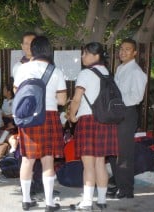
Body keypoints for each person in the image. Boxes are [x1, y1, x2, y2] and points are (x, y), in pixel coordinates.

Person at [14, 36, 67, 211]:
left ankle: (26, 200)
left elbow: (17, 92)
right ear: (48, 50)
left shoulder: (22, 69)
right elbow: (61, 100)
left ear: (33, 50)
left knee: (27, 160)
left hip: (29, 117)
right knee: (48, 160)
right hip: (49, 116)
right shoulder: (55, 71)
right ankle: (50, 203)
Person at [68, 42, 118, 210]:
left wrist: (72, 116)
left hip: (89, 120)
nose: (83, 56)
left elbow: (77, 99)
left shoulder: (86, 73)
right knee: (100, 163)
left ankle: (87, 202)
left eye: (86, 53)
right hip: (105, 121)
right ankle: (102, 200)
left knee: (88, 165)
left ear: (96, 56)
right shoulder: (107, 73)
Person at [107, 38, 147, 199]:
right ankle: (118, 183)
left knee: (124, 153)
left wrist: (117, 103)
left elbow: (136, 97)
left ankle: (126, 190)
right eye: (121, 49)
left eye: (127, 49)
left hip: (127, 113)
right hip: (117, 113)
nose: (123, 52)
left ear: (135, 52)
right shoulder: (121, 68)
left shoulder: (137, 72)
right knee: (112, 150)